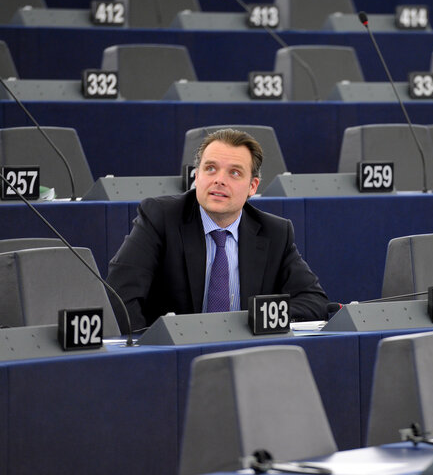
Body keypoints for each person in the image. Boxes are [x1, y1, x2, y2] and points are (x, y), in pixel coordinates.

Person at [106, 128, 329, 333]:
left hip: (247, 354)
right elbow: (121, 295)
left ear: (253, 186)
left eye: (234, 173)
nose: (219, 180)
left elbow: (313, 301)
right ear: (197, 176)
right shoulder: (160, 217)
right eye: (210, 169)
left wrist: (255, 320)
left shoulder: (274, 232)